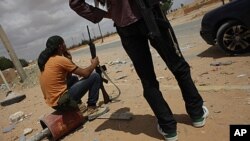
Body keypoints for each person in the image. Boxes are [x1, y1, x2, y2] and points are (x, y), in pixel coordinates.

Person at [69, 0, 209, 140]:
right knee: (178, 65)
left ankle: (168, 128)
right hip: (151, 14)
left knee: (147, 79)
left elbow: (75, 2)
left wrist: (109, 13)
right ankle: (196, 114)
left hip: (125, 25)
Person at [38, 35, 109, 120]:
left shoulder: (46, 61)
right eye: (64, 44)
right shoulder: (59, 60)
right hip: (63, 103)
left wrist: (69, 59)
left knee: (73, 79)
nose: (66, 46)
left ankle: (79, 106)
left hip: (55, 104)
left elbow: (68, 77)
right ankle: (92, 108)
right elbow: (85, 74)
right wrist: (94, 64)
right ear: (60, 46)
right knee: (95, 76)